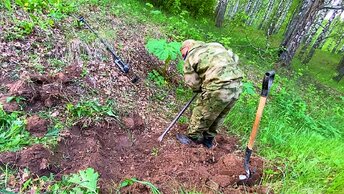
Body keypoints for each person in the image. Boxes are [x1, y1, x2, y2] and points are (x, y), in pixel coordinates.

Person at [176, 39, 244, 148]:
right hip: (237, 84)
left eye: (183, 54)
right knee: (220, 114)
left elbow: (192, 82)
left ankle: (192, 138)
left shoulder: (192, 55)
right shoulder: (216, 45)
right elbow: (234, 58)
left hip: (218, 85)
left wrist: (200, 89)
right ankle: (208, 140)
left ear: (188, 47)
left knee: (202, 111)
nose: (184, 57)